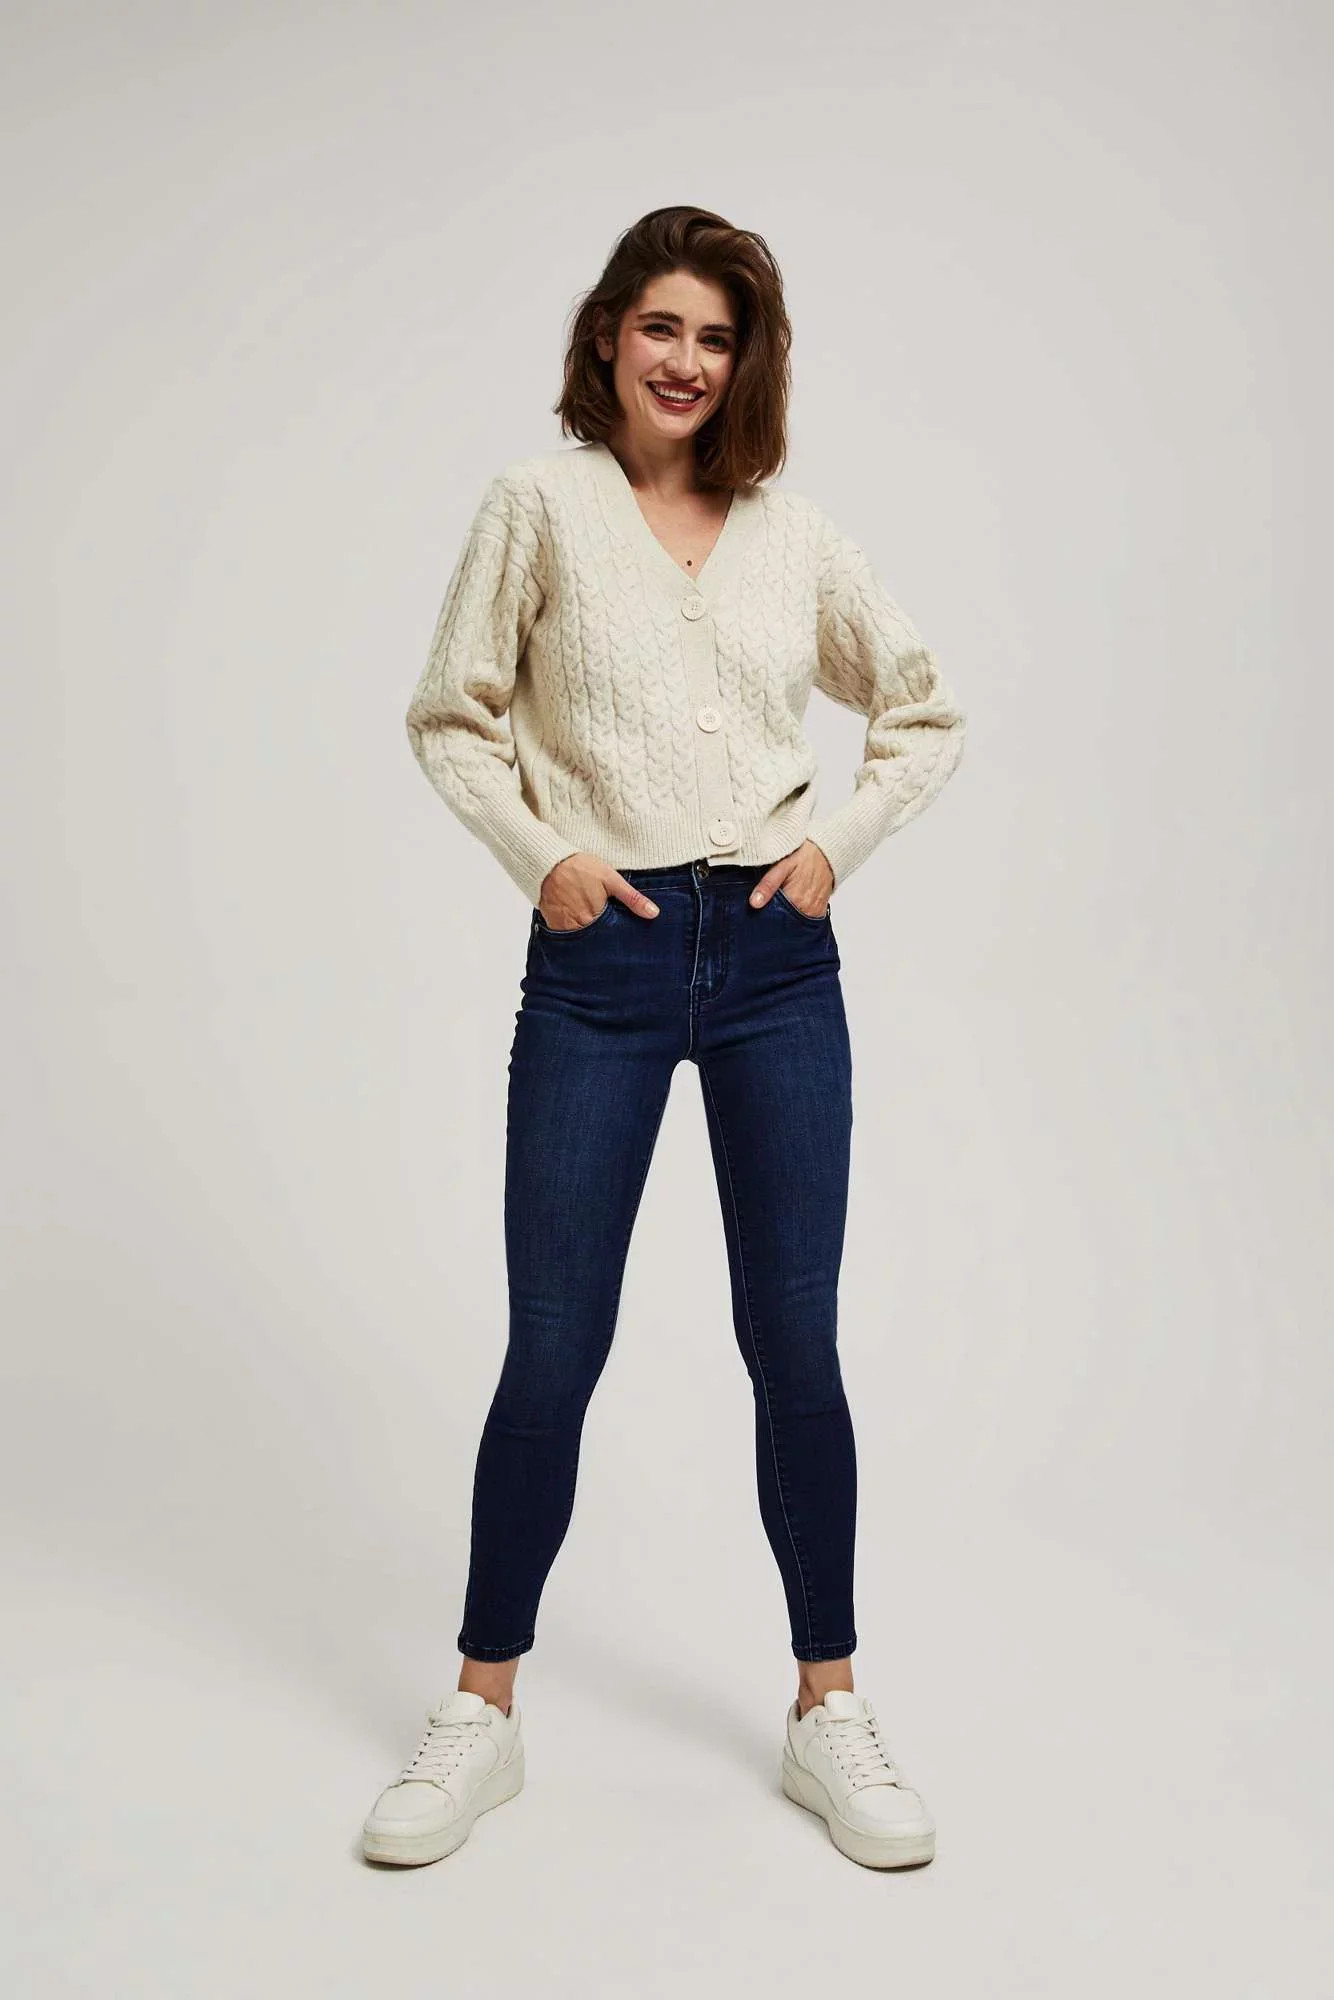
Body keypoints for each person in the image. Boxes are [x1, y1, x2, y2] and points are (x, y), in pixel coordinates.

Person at [362, 205, 966, 1872]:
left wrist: (833, 849)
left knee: (794, 1344)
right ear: (607, 337)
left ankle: (826, 1709)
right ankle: (480, 1713)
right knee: (554, 1344)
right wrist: (542, 857)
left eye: (716, 336)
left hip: (774, 963)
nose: (687, 362)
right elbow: (449, 716)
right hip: (601, 963)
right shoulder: (536, 506)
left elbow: (921, 708)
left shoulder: (790, 533)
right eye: (661, 328)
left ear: (744, 360)